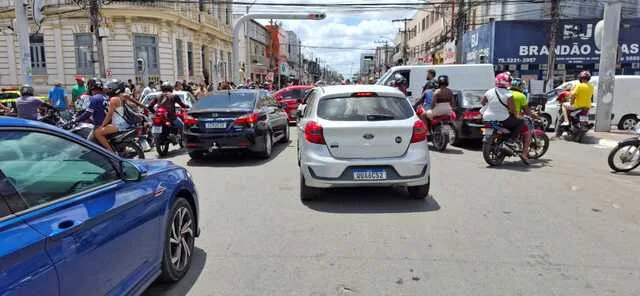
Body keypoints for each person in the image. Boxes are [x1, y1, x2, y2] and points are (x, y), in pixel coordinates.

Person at [481, 72, 530, 165]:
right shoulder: (508, 94)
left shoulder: (489, 91)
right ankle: (511, 140)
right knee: (520, 122)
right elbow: (513, 109)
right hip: (502, 118)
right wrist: (517, 115)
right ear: (508, 82)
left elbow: (482, 102)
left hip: (487, 117)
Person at [94, 79, 132, 151]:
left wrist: (102, 125)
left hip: (119, 125)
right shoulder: (121, 97)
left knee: (97, 133)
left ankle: (110, 152)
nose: (108, 90)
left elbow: (109, 115)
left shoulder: (113, 99)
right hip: (124, 123)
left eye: (110, 88)